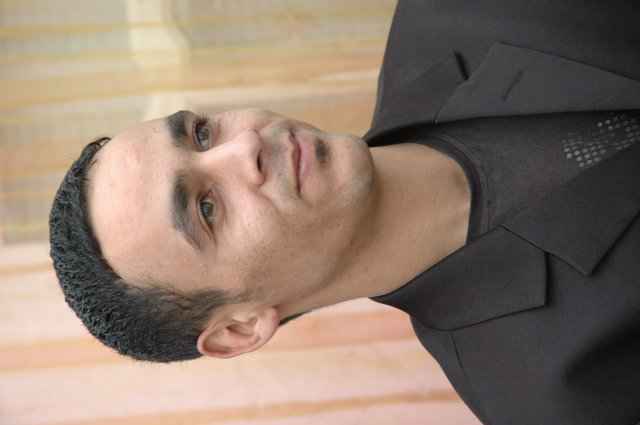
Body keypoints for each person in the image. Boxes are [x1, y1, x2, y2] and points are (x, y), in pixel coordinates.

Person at [49, 1, 640, 424]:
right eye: (207, 208)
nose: (245, 147)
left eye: (202, 133)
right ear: (239, 329)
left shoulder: (449, 12)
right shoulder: (560, 401)